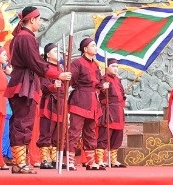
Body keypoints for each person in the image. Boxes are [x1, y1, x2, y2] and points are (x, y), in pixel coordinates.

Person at [5, 6, 71, 174]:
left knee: (21, 122)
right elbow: (37, 64)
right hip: (24, 84)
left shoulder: (21, 37)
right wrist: (58, 74)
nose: (40, 22)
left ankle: (19, 162)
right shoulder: (26, 38)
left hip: (23, 82)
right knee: (23, 123)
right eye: (39, 19)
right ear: (32, 20)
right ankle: (20, 163)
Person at [67, 38, 105, 171]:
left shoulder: (96, 65)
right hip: (80, 99)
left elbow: (99, 81)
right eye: (93, 45)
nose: (95, 48)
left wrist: (103, 85)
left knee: (90, 132)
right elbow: (72, 80)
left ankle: (90, 162)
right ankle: (70, 161)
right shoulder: (77, 63)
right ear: (85, 49)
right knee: (74, 132)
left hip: (93, 101)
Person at [96, 58, 128, 169]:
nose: (115, 69)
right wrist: (103, 89)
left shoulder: (118, 80)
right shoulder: (103, 79)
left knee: (117, 135)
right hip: (108, 110)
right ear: (107, 67)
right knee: (105, 135)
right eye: (113, 66)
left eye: (117, 66)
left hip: (118, 110)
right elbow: (98, 93)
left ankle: (113, 160)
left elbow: (122, 95)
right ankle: (99, 159)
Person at [36, 43, 64, 169]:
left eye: (59, 51)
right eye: (55, 51)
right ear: (48, 54)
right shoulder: (44, 68)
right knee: (46, 130)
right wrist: (53, 87)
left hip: (61, 103)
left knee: (57, 133)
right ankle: (44, 159)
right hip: (49, 102)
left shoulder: (61, 68)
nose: (58, 53)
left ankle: (54, 159)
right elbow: (43, 86)